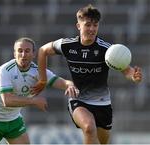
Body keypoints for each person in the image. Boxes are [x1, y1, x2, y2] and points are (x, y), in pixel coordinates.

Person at [32, 4, 142, 144]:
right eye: (88, 24)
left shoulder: (107, 50)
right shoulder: (67, 45)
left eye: (95, 25)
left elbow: (126, 70)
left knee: (103, 142)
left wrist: (134, 76)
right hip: (78, 99)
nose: (92, 29)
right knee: (89, 128)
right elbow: (43, 51)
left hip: (103, 103)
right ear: (78, 26)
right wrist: (42, 80)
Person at [0, 37, 79, 144]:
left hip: (13, 120)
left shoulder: (38, 72)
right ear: (14, 54)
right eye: (20, 51)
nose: (23, 55)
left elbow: (63, 82)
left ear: (34, 54)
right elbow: (7, 101)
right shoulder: (5, 71)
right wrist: (34, 101)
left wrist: (70, 86)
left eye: (27, 51)